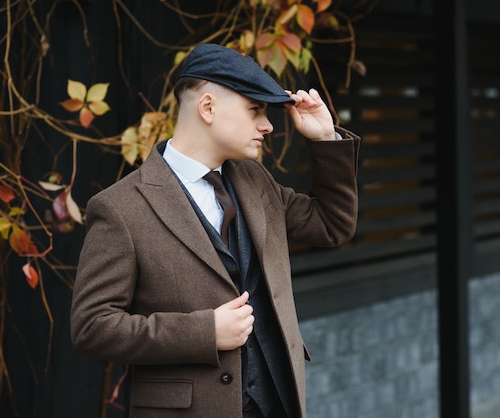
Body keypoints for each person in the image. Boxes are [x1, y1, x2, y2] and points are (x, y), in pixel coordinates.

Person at [70, 43, 360, 418]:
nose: (268, 125)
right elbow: (92, 327)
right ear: (207, 108)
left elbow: (332, 225)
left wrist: (324, 139)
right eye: (255, 110)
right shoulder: (121, 208)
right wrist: (203, 332)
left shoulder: (255, 180)